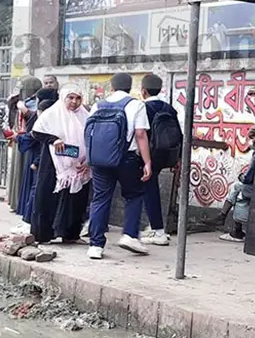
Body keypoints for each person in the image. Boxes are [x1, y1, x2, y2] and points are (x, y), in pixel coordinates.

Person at [85, 73, 153, 260]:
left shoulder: (97, 105)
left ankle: (95, 245)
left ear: (112, 87)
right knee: (134, 195)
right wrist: (147, 162)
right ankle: (130, 235)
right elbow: (140, 134)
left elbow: (89, 132)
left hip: (100, 160)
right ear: (130, 87)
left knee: (100, 199)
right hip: (127, 158)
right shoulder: (136, 105)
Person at [30, 83, 91, 244]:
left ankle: (70, 234)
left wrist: (88, 159)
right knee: (47, 195)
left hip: (77, 163)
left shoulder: (84, 115)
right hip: (53, 161)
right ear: (63, 98)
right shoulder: (53, 113)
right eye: (70, 98)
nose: (74, 102)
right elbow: (37, 131)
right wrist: (53, 139)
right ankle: (43, 234)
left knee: (75, 199)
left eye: (78, 98)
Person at [138, 74, 181, 247]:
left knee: (148, 190)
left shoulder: (143, 108)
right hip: (168, 155)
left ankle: (158, 230)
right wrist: (178, 158)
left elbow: (140, 134)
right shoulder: (168, 108)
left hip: (149, 155)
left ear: (143, 91)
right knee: (150, 188)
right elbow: (180, 134)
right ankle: (155, 226)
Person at [17, 88, 58, 223]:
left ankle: (31, 219)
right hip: (40, 156)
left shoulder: (50, 119)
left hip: (43, 158)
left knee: (38, 189)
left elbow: (37, 136)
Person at [6, 76, 42, 214]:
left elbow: (35, 121)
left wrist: (26, 111)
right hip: (19, 140)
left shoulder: (37, 104)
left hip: (30, 143)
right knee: (17, 171)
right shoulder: (19, 102)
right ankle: (15, 202)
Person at [220, 124, 255, 243]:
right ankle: (225, 218)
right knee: (237, 191)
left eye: (253, 138)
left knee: (236, 189)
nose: (252, 141)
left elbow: (249, 176)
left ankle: (227, 221)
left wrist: (241, 176)